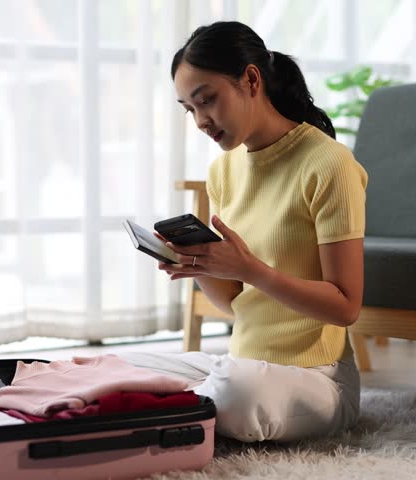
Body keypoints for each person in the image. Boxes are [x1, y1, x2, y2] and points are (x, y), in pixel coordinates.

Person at [118, 20, 368, 443]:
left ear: (251, 80)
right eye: (189, 109)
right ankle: (174, 405)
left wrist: (254, 271)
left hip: (316, 377)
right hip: (243, 363)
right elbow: (235, 302)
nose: (199, 120)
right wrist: (198, 264)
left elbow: (346, 307)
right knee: (123, 368)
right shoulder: (224, 171)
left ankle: (168, 409)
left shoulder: (329, 164)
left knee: (236, 392)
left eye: (207, 100)